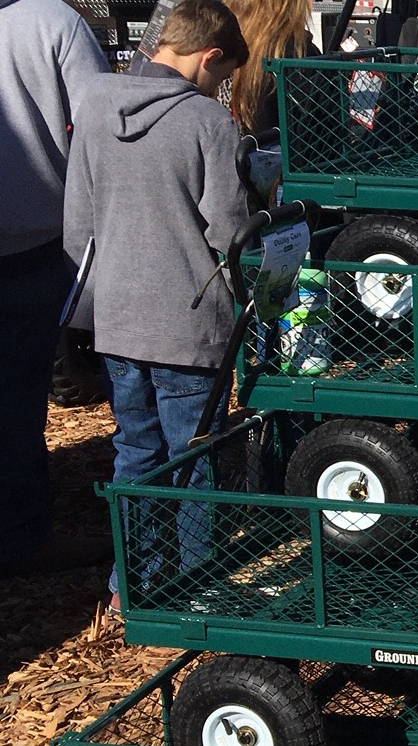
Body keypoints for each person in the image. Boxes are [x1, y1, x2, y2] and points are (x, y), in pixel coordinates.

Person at [63, 0, 250, 614]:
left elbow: (78, 227)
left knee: (135, 453)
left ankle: (132, 582)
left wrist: (94, 304)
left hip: (119, 316)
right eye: (220, 78)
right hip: (189, 322)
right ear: (209, 57)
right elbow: (228, 230)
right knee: (195, 458)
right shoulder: (207, 123)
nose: (218, 88)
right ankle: (196, 584)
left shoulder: (92, 106)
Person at [0, 0, 109, 578]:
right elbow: (100, 126)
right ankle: (21, 539)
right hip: (37, 240)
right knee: (18, 402)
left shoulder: (51, 21)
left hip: (36, 243)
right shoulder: (53, 21)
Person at [225, 0, 318, 134]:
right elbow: (324, 120)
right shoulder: (297, 51)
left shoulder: (225, 44)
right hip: (282, 149)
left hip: (242, 145)